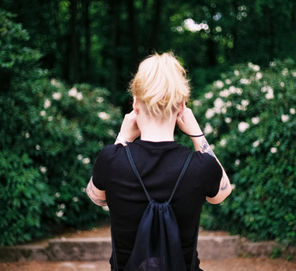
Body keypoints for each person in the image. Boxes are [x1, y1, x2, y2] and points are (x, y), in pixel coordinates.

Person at [86, 51, 232, 271]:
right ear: (182, 106)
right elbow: (222, 193)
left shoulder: (111, 160)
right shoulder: (201, 166)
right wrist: (197, 134)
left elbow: (97, 197)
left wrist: (122, 139)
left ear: (135, 103)